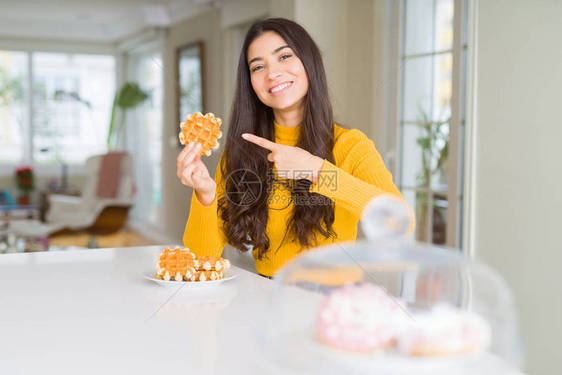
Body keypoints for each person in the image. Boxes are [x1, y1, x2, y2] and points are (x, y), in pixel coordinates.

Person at [177, 17, 414, 278]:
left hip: (330, 304)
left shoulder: (350, 145)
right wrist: (205, 195)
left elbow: (400, 223)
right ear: (251, 83)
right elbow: (200, 257)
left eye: (284, 56)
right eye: (258, 67)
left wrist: (316, 170)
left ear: (308, 62)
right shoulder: (242, 152)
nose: (272, 73)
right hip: (267, 297)